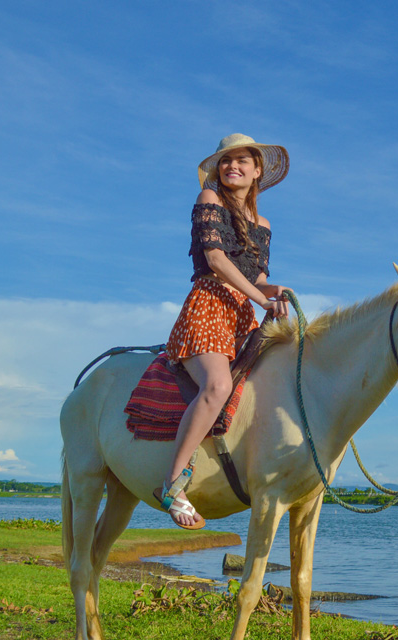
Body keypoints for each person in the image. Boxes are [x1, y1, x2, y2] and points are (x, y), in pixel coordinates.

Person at [158, 134, 291, 529]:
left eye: (242, 161)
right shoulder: (209, 201)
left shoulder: (263, 224)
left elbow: (260, 278)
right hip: (209, 306)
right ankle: (172, 484)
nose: (233, 166)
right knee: (216, 386)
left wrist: (275, 293)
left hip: (241, 314)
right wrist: (261, 298)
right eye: (226, 161)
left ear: (257, 171)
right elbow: (215, 259)